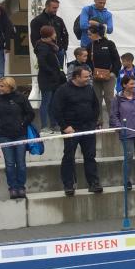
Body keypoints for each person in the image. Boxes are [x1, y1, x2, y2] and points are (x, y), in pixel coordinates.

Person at [50, 65, 102, 196]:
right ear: (77, 77)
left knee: (90, 156)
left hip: (88, 128)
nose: (88, 79)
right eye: (86, 77)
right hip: (71, 129)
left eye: (89, 76)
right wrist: (65, 126)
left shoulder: (89, 89)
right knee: (69, 157)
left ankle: (94, 183)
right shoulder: (63, 90)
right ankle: (69, 185)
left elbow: (96, 106)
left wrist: (93, 122)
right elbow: (56, 109)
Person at [0, 76, 36, 200]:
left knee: (21, 163)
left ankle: (21, 187)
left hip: (20, 135)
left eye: (2, 86)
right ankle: (13, 188)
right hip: (4, 136)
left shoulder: (21, 98)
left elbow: (30, 113)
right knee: (9, 164)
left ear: (10, 86)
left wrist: (23, 124)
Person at [33, 25, 65, 130]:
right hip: (46, 79)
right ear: (49, 34)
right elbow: (42, 62)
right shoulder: (42, 47)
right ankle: (44, 125)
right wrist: (52, 72)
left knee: (53, 102)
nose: (55, 35)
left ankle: (54, 124)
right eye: (54, 33)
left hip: (53, 78)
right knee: (46, 102)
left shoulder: (50, 45)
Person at [87, 25, 121, 120]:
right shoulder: (90, 46)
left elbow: (116, 60)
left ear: (97, 33)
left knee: (109, 98)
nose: (89, 36)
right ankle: (98, 121)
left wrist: (114, 72)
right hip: (95, 76)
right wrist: (90, 72)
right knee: (96, 99)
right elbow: (88, 61)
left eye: (90, 34)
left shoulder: (109, 44)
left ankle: (113, 120)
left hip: (109, 76)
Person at [30, 0, 70, 68]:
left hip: (59, 51)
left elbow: (65, 34)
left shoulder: (59, 20)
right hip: (45, 52)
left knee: (59, 72)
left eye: (57, 8)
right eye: (54, 8)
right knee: (47, 71)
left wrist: (64, 48)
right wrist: (39, 51)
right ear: (47, 6)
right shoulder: (37, 21)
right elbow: (34, 38)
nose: (56, 10)